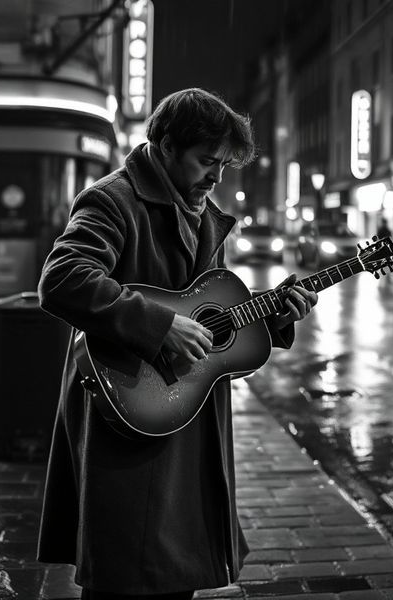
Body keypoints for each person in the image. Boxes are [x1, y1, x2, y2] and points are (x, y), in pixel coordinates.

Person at [36, 88, 318, 599]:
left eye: (224, 165)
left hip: (185, 414)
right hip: (127, 408)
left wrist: (273, 315)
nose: (216, 177)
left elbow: (206, 313)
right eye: (207, 161)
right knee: (124, 575)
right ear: (166, 145)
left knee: (175, 578)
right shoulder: (113, 198)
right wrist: (159, 326)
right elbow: (63, 278)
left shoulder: (205, 214)